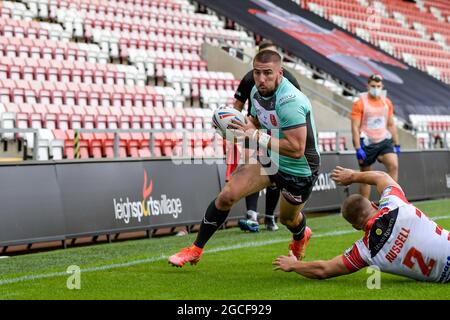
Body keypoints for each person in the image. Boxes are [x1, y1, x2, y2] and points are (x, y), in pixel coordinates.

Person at [168, 50, 320, 267]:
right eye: (257, 73)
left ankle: (300, 235)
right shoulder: (256, 94)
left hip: (299, 169)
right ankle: (195, 249)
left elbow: (296, 149)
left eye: (267, 73)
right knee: (227, 195)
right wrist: (235, 126)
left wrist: (255, 135)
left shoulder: (291, 100)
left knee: (288, 219)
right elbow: (257, 122)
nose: (261, 79)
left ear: (280, 73)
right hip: (270, 158)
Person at [273, 166, 450, 283]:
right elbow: (382, 176)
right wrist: (352, 176)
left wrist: (294, 265)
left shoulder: (366, 252)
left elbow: (324, 270)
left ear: (356, 227)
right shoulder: (396, 204)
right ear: (373, 204)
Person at [232, 40, 302, 232]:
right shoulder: (249, 78)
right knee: (250, 168)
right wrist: (236, 124)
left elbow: (297, 111)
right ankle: (252, 215)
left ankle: (269, 217)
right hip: (253, 129)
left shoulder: (290, 80)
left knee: (274, 173)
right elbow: (237, 104)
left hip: (277, 135)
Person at [351, 74, 400, 199]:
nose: (376, 88)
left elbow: (391, 124)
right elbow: (355, 127)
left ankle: (391, 200)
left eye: (378, 86)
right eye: (373, 86)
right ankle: (364, 208)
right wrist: (357, 148)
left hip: (384, 140)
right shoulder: (360, 103)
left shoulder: (386, 102)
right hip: (367, 142)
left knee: (393, 165)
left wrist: (397, 143)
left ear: (382, 86)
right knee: (365, 176)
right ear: (368, 86)